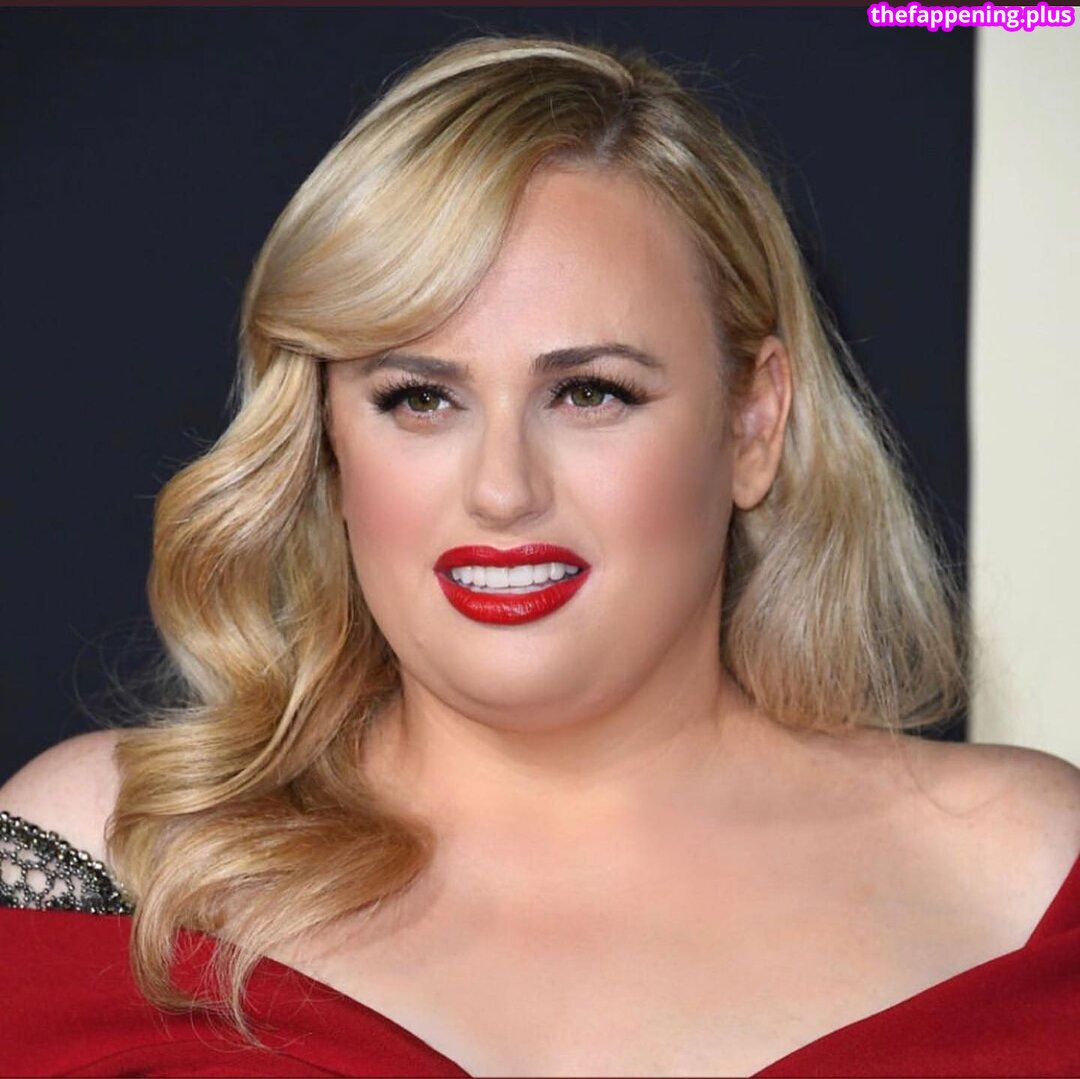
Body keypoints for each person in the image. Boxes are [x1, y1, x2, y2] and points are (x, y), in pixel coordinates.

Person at [2, 32, 1078, 1079]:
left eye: (590, 392)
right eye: (420, 398)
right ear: (327, 440)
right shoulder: (105, 858)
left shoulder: (1026, 880)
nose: (503, 488)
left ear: (754, 422)